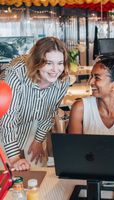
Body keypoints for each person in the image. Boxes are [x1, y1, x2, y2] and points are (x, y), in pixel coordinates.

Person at [0, 37, 70, 171]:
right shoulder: (17, 72)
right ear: (37, 62)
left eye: (60, 63)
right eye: (49, 63)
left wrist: (38, 140)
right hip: (4, 124)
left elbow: (50, 112)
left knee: (36, 171)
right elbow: (8, 119)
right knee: (8, 172)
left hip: (33, 122)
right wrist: (15, 158)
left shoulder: (63, 79)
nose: (55, 69)